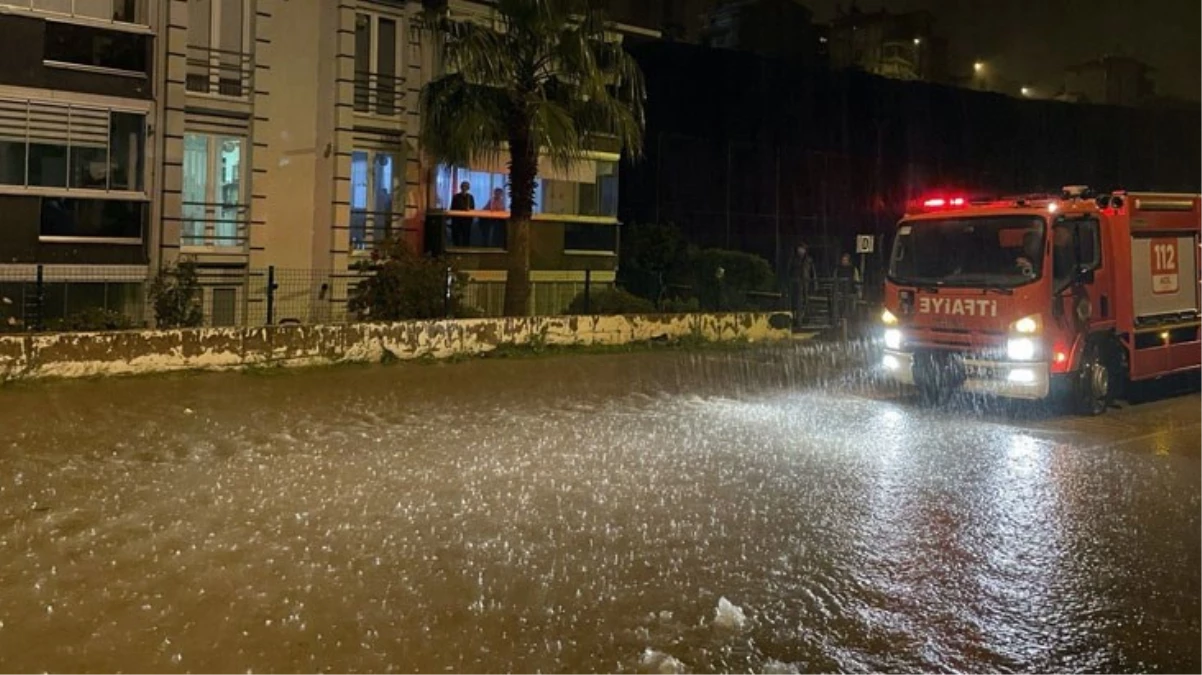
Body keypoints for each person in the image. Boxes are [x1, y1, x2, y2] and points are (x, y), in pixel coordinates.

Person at [787, 244, 816, 330]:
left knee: (804, 302)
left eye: (803, 249)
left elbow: (812, 272)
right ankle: (796, 321)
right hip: (795, 284)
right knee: (795, 303)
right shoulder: (793, 259)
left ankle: (804, 320)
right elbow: (789, 270)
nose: (801, 250)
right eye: (800, 248)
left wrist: (814, 284)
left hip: (805, 283)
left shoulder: (809, 260)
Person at [833, 252, 862, 324]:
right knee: (840, 308)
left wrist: (858, 291)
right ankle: (840, 321)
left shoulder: (853, 269)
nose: (844, 261)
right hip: (840, 292)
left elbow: (856, 280)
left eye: (846, 260)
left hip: (851, 292)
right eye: (843, 260)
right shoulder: (838, 269)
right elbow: (835, 279)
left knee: (851, 309)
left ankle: (850, 322)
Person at [449, 181, 475, 247]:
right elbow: (453, 207)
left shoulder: (470, 197)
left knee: (466, 236)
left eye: (466, 186)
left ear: (468, 188)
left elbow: (472, 208)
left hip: (467, 220)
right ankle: (456, 248)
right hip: (457, 219)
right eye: (463, 186)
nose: (464, 188)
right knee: (456, 235)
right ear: (461, 187)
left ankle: (465, 249)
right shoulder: (456, 196)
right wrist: (464, 208)